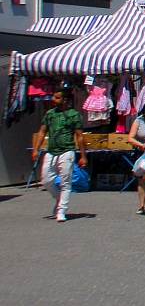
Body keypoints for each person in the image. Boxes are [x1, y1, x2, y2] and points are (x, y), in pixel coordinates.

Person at [32, 86, 87, 223]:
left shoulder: (74, 115)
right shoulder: (50, 114)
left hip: (67, 151)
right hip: (51, 151)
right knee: (46, 180)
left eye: (56, 97)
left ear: (65, 100)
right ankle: (59, 199)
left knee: (65, 182)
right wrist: (35, 149)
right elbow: (42, 131)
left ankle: (61, 210)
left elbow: (79, 136)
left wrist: (83, 155)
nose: (53, 99)